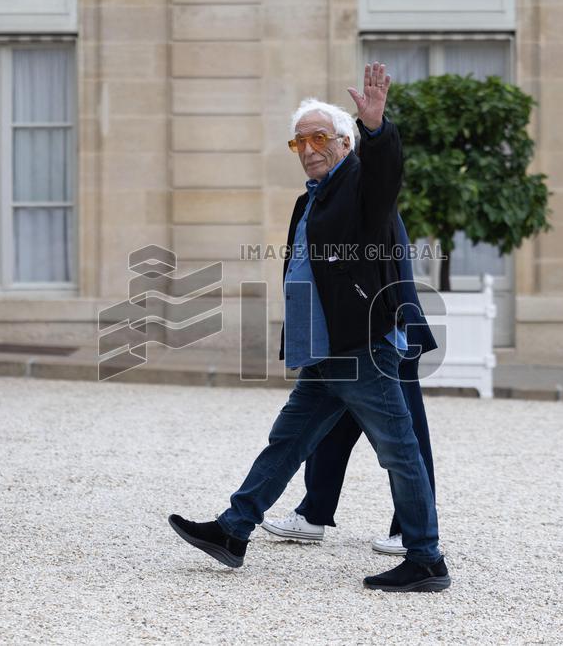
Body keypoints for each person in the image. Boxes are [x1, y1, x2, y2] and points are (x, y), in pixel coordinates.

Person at [168, 62, 450, 592]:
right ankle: (234, 530)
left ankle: (426, 558)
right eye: (299, 141)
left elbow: (386, 171)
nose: (309, 147)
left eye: (320, 137)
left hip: (362, 347)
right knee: (287, 441)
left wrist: (377, 128)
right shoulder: (311, 198)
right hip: (326, 350)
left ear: (344, 142)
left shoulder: (362, 185)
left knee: (399, 450)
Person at [261, 211, 438, 557]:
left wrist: (397, 327)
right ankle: (314, 512)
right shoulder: (324, 201)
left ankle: (409, 530)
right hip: (347, 338)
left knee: (407, 433)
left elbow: (389, 266)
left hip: (385, 335)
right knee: (334, 425)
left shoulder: (367, 196)